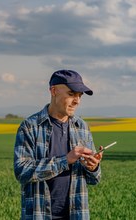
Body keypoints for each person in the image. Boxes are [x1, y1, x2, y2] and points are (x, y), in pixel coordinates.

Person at [14, 69, 103, 220]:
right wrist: (65, 160)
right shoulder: (30, 127)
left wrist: (93, 167)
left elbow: (94, 180)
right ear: (54, 91)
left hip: (76, 214)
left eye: (79, 96)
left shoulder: (82, 127)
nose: (77, 101)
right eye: (71, 94)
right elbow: (22, 172)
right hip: (39, 214)